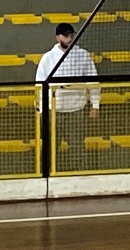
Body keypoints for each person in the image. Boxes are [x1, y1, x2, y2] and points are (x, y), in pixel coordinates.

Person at [35, 23, 100, 168]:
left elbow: (92, 80)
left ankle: (78, 174)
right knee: (49, 146)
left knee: (77, 146)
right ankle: (46, 174)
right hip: (53, 110)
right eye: (65, 35)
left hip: (76, 109)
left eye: (71, 35)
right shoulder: (48, 58)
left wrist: (95, 104)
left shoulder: (83, 55)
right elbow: (40, 85)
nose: (69, 38)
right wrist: (42, 109)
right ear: (58, 37)